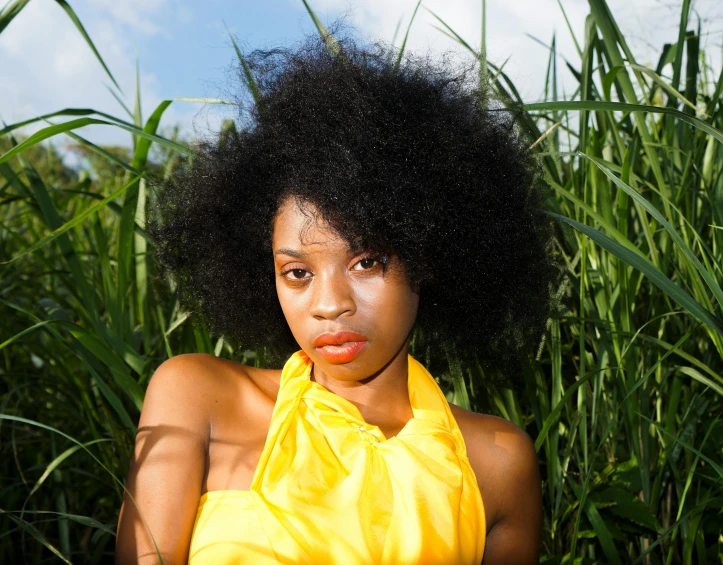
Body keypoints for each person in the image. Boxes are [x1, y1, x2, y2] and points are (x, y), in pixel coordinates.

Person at [115, 28, 559, 565]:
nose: (329, 304)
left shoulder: (496, 462)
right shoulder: (198, 396)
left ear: (431, 253)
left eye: (366, 262)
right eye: (297, 272)